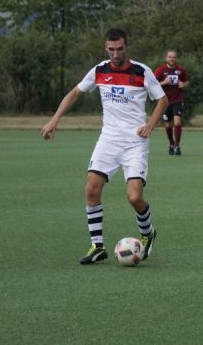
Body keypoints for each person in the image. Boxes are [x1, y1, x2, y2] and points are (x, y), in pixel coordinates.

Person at [41, 28, 168, 265]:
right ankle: (97, 247)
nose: (115, 53)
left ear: (126, 46)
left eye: (119, 48)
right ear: (105, 48)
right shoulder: (99, 70)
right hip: (108, 140)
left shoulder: (141, 71)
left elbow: (163, 99)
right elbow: (75, 93)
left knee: (134, 197)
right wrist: (54, 119)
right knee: (91, 189)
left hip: (134, 143)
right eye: (111, 49)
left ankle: (148, 232)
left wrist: (150, 125)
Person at [154, 50, 189, 156]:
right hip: (165, 101)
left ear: (176, 58)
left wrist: (183, 84)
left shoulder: (180, 70)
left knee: (177, 122)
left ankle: (177, 146)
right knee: (168, 124)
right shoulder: (160, 70)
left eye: (173, 57)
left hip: (178, 99)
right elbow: (153, 84)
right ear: (166, 58)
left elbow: (186, 81)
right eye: (170, 57)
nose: (172, 59)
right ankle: (171, 143)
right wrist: (164, 82)